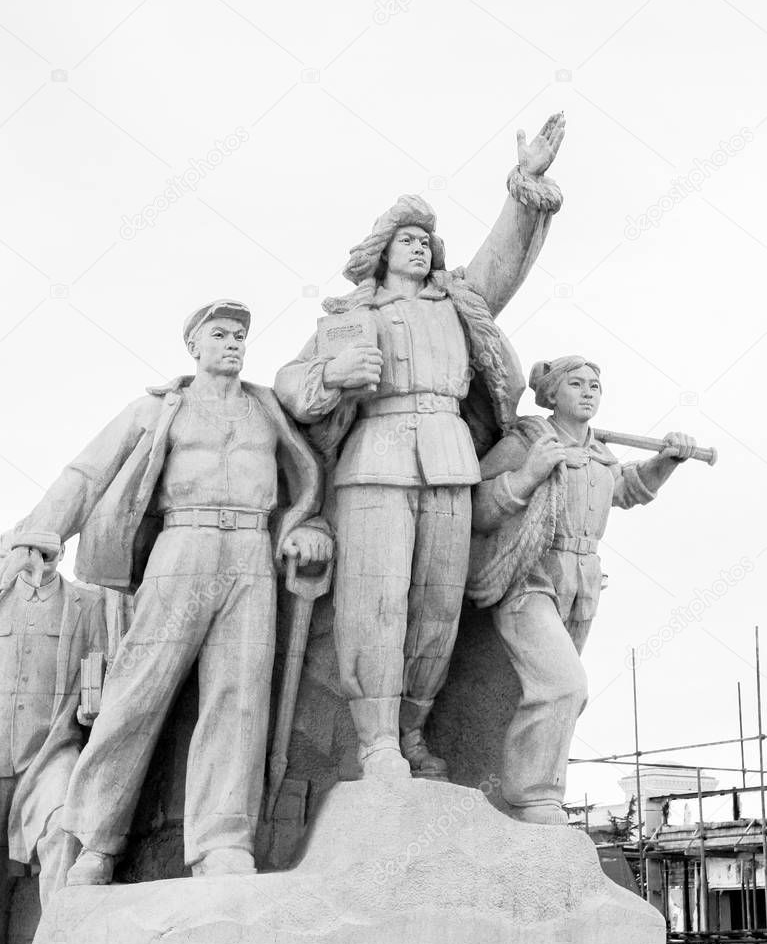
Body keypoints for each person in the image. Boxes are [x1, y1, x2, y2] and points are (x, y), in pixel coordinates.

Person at [0, 300, 332, 884]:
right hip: (183, 545)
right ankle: (93, 840)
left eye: (240, 335)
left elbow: (303, 480)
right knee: (136, 691)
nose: (233, 343)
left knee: (240, 697)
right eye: (220, 334)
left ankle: (222, 845)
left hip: (251, 550)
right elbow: (87, 472)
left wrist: (305, 527)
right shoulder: (159, 408)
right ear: (194, 347)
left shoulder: (265, 408)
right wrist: (41, 529)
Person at [275, 115, 565, 780]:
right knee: (375, 606)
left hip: (449, 461)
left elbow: (501, 260)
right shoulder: (350, 317)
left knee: (435, 608)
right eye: (405, 239)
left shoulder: (456, 303)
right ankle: (374, 737)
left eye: (424, 241)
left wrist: (522, 188)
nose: (418, 248)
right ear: (381, 250)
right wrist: (332, 375)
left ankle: (410, 730)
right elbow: (292, 385)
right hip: (375, 463)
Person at [468, 356, 696, 824]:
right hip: (530, 574)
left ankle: (525, 795)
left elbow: (627, 489)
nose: (590, 391)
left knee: (560, 693)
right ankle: (534, 798)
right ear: (552, 394)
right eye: (577, 383)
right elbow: (475, 508)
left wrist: (666, 463)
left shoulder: (599, 452)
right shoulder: (527, 441)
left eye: (595, 384)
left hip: (585, 579)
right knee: (564, 684)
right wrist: (528, 474)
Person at [0, 536, 106, 933]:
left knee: (65, 827)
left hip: (48, 753)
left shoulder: (86, 603)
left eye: (48, 547)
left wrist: (93, 706)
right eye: (28, 547)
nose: (39, 556)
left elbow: (98, 667)